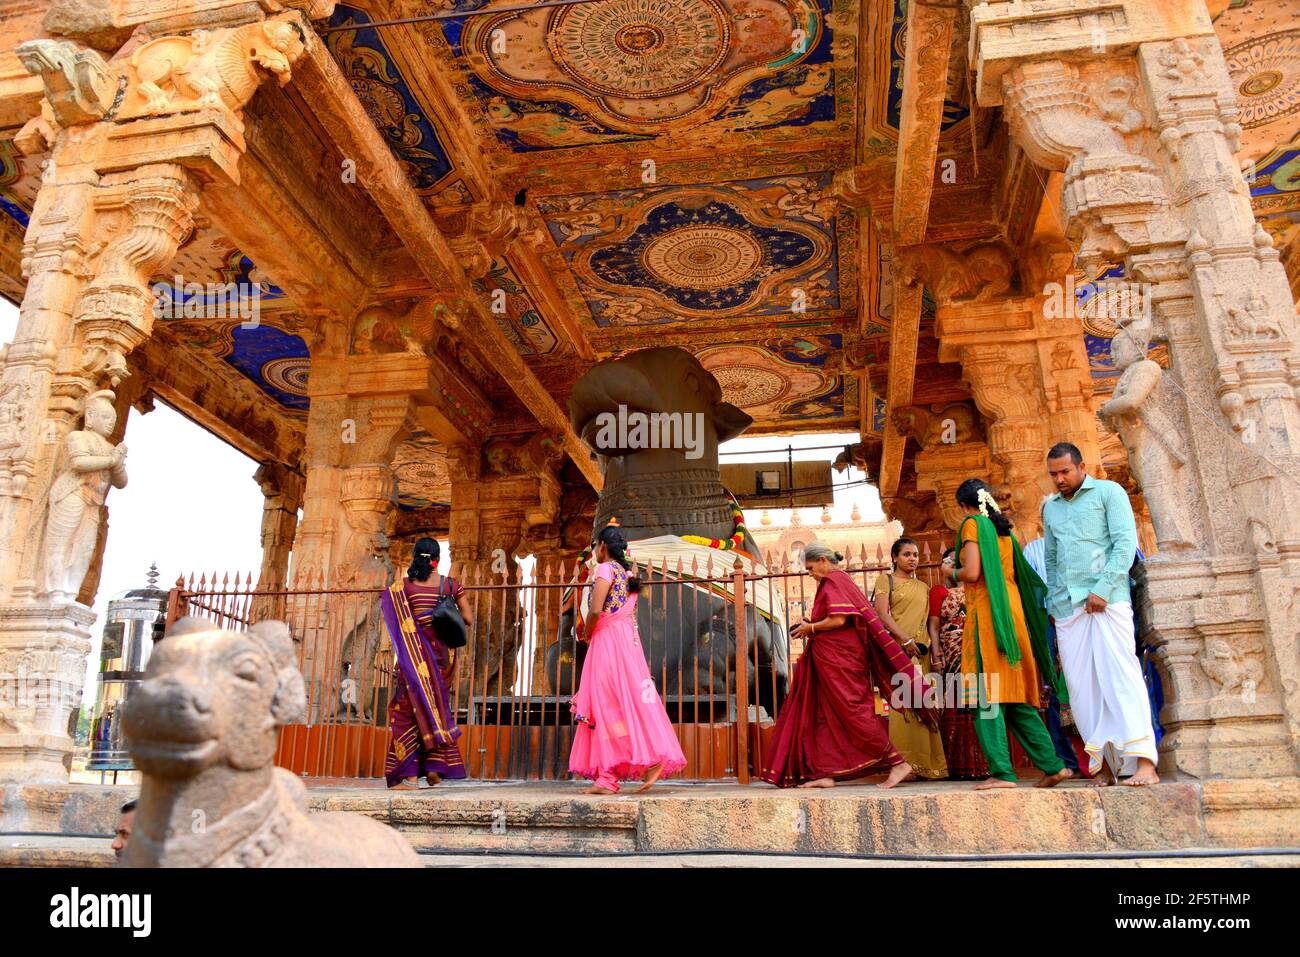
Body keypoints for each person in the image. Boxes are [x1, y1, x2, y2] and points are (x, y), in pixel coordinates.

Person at [761, 543, 936, 790]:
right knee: (824, 715)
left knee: (854, 711)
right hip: (830, 658)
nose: (810, 574)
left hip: (841, 660)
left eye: (811, 568)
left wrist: (809, 628)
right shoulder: (838, 581)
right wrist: (812, 625)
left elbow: (839, 619)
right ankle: (826, 772)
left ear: (823, 560)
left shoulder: (833, 581)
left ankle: (897, 762)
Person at [1043, 442, 1159, 787]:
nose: (1060, 479)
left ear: (1081, 466)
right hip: (1068, 609)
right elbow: (1052, 559)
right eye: (1053, 474)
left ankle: (1144, 765)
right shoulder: (1051, 509)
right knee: (1082, 688)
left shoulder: (1109, 493)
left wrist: (1103, 590)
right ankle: (1106, 767)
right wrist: (1055, 602)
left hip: (1107, 602)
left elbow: (1124, 544)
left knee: (1120, 677)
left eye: (1065, 471)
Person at [954, 479, 1072, 790]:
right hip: (1013, 614)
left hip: (989, 617)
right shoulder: (1005, 532)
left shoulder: (972, 525)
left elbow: (973, 573)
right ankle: (1053, 766)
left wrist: (950, 572)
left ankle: (1002, 773)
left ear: (964, 506)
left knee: (986, 696)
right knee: (1015, 700)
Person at [568, 525, 685, 794]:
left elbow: (596, 610)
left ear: (603, 547)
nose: (594, 551)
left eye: (595, 546)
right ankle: (626, 768)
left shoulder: (606, 570)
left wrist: (586, 634)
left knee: (605, 704)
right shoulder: (626, 573)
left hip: (607, 642)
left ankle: (613, 775)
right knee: (625, 702)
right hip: (625, 643)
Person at [380, 537, 471, 790]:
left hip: (413, 660)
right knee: (436, 707)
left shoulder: (402, 588)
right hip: (442, 659)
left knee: (406, 713)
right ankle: (434, 768)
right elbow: (468, 618)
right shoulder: (451, 585)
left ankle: (409, 777)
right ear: (437, 560)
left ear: (414, 557)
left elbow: (395, 620)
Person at [873, 537, 947, 780]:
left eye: (915, 554)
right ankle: (905, 765)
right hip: (899, 653)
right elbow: (882, 615)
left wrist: (935, 653)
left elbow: (930, 624)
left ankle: (929, 765)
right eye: (907, 554)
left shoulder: (924, 588)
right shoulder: (887, 580)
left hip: (922, 654)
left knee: (925, 706)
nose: (913, 558)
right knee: (903, 709)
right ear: (894, 557)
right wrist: (905, 640)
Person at [1023, 527, 1082, 778]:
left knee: (1086, 684)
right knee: (1057, 691)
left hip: (1084, 616)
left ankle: (1102, 758)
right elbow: (1030, 590)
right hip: (1050, 623)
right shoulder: (1034, 549)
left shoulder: (1082, 542)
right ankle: (1068, 760)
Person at [928, 549, 989, 780]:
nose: (954, 564)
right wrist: (936, 655)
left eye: (959, 560)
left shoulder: (976, 590)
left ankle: (982, 765)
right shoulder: (939, 591)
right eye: (950, 560)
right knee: (955, 706)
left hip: (977, 652)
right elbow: (933, 626)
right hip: (952, 653)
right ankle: (956, 766)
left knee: (979, 705)